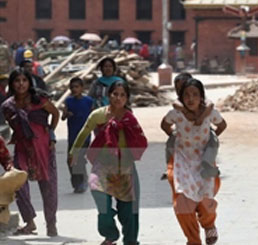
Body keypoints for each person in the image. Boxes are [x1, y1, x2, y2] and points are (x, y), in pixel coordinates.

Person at [69, 81, 148, 245]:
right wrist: (74, 152)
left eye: (122, 95)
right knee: (101, 203)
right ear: (108, 95)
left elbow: (140, 139)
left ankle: (131, 241)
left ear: (127, 98)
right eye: (115, 94)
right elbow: (84, 131)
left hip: (125, 167)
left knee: (129, 210)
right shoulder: (98, 115)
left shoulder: (129, 118)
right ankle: (110, 235)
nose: (118, 98)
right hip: (102, 167)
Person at [161, 78, 227, 245]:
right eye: (187, 95)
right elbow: (164, 124)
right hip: (182, 161)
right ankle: (193, 240)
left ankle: (209, 224)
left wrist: (211, 138)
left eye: (195, 95)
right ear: (181, 98)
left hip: (204, 161)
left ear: (201, 97)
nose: (191, 99)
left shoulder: (210, 112)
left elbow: (222, 125)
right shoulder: (176, 114)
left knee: (205, 199)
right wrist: (174, 136)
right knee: (182, 202)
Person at [1, 68, 59, 236]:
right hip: (22, 147)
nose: (21, 84)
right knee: (17, 182)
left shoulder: (39, 100)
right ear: (11, 84)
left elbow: (55, 113)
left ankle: (51, 223)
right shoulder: (8, 106)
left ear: (29, 82)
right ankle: (30, 222)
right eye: (17, 81)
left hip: (42, 147)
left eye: (24, 80)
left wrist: (50, 132)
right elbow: (13, 126)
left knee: (48, 186)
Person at [61, 77, 94, 193]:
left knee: (78, 158)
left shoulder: (88, 101)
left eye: (77, 87)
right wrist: (66, 114)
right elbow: (63, 117)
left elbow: (93, 116)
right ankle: (76, 182)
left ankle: (82, 182)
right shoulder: (69, 101)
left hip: (84, 135)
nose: (74, 89)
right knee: (71, 160)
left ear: (82, 88)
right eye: (72, 87)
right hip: (72, 136)